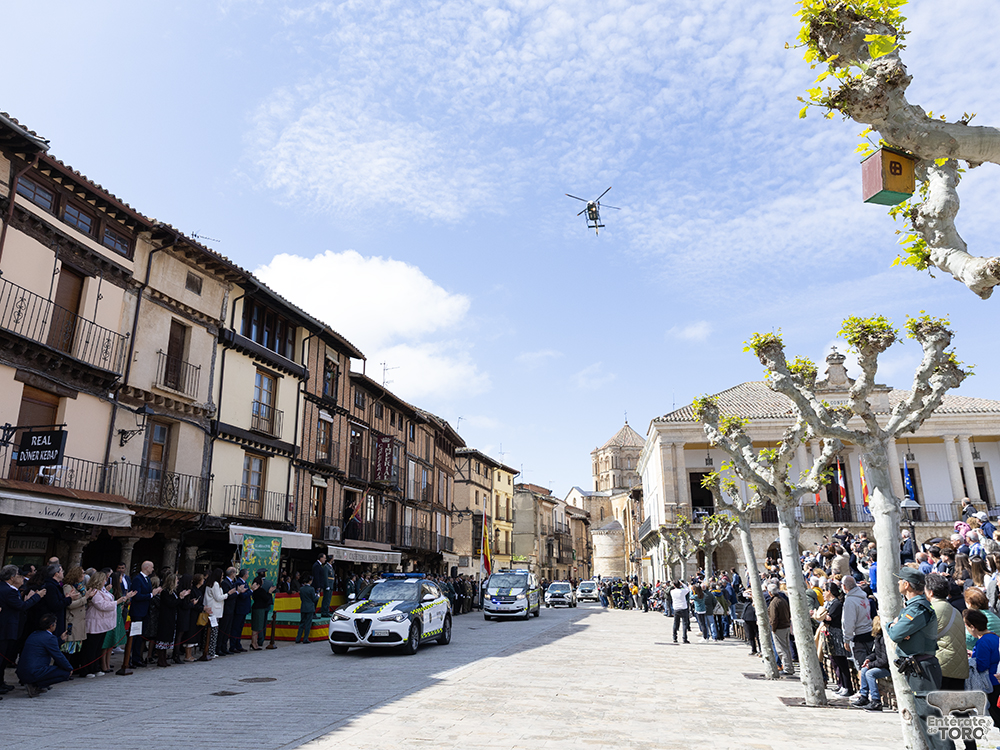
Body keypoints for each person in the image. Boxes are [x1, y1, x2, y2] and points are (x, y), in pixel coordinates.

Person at [885, 568, 942, 746]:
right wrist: (893, 626)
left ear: (906, 584)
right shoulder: (913, 606)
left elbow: (896, 633)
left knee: (933, 722)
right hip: (918, 668)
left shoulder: (918, 608)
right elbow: (898, 630)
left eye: (899, 580)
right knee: (927, 721)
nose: (897, 583)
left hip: (923, 669)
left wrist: (892, 626)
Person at [0, 564, 45, 694]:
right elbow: (21, 606)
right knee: (3, 657)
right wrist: (37, 596)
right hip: (6, 628)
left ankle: (1, 682)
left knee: (4, 658)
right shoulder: (9, 591)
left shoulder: (6, 588)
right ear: (12, 577)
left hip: (7, 627)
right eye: (19, 576)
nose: (21, 579)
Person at [924, 572, 969, 691]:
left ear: (930, 592)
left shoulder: (931, 610)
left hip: (941, 666)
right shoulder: (955, 611)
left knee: (940, 706)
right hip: (959, 667)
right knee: (956, 706)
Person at [82, 571, 126, 677]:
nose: (105, 581)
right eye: (104, 579)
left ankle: (96, 667)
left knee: (98, 647)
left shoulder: (103, 590)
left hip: (102, 623)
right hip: (95, 622)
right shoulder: (94, 591)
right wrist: (117, 602)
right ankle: (87, 670)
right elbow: (102, 605)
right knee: (91, 648)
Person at [17, 614, 73, 697]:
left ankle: (35, 684)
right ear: (51, 625)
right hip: (34, 672)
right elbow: (58, 656)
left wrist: (60, 640)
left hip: (22, 672)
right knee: (65, 673)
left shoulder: (34, 634)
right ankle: (36, 685)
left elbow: (46, 645)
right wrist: (69, 668)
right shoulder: (49, 638)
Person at [966, 608, 1000, 728]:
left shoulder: (983, 642)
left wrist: (972, 661)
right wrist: (974, 653)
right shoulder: (994, 637)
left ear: (972, 627)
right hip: (997, 680)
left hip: (991, 683)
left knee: (997, 715)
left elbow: (982, 666)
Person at [850, 616, 890, 711]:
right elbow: (876, 653)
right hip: (880, 664)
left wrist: (871, 665)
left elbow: (884, 660)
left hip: (887, 667)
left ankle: (876, 701)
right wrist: (868, 659)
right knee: (864, 670)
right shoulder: (878, 637)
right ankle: (864, 696)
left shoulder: (883, 639)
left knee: (870, 673)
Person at [129, 561, 162, 668]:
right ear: (146, 567)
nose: (152, 569)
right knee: (134, 637)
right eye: (151, 567)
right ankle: (129, 658)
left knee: (140, 637)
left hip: (145, 611)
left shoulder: (147, 579)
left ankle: (137, 658)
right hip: (138, 611)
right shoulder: (137, 579)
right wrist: (151, 594)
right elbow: (137, 596)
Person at [841, 575, 874, 670]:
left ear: (844, 586)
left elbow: (849, 622)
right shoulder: (863, 596)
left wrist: (847, 639)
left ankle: (864, 685)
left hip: (858, 637)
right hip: (868, 632)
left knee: (861, 667)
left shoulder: (850, 601)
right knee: (869, 665)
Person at [61, 566, 90, 673]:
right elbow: (70, 605)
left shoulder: (81, 587)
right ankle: (66, 670)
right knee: (68, 648)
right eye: (81, 573)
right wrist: (85, 598)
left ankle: (73, 668)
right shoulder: (68, 587)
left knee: (76, 648)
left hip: (80, 619)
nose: (83, 575)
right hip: (72, 619)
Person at [201, 568, 228, 661]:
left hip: (210, 609)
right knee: (213, 633)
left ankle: (207, 650)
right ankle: (211, 651)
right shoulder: (215, 584)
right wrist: (227, 594)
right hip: (214, 611)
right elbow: (218, 597)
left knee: (209, 632)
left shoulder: (210, 584)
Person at [768, 583, 794, 676]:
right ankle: (789, 667)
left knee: (781, 649)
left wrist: (773, 628)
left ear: (770, 593)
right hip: (786, 625)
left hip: (780, 627)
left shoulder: (774, 602)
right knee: (786, 648)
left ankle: (787, 668)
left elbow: (774, 618)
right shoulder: (783, 599)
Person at [230, 569, 252, 653]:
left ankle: (238, 644)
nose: (248, 575)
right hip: (239, 608)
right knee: (235, 627)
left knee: (240, 627)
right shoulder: (239, 582)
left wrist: (249, 591)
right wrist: (251, 591)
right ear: (244, 575)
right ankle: (233, 645)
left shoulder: (245, 583)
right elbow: (242, 596)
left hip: (244, 608)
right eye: (247, 573)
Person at [296, 573, 319, 644]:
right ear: (310, 581)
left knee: (302, 623)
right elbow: (314, 599)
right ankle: (305, 638)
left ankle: (298, 638)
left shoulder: (301, 589)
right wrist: (317, 596)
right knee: (308, 624)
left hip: (303, 607)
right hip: (310, 608)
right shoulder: (311, 589)